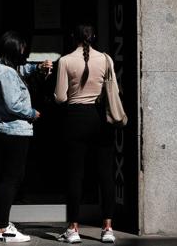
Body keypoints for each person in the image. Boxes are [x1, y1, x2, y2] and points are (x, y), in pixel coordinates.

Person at [0, 31, 52, 243]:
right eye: (21, 49)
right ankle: (2, 227)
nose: (25, 52)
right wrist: (32, 113)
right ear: (13, 50)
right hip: (13, 131)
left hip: (5, 131)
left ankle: (2, 224)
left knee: (10, 178)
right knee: (11, 179)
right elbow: (14, 104)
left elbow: (22, 69)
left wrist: (37, 67)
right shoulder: (6, 73)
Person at [54, 25, 117, 244]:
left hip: (75, 118)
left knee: (75, 175)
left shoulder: (65, 61)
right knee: (105, 174)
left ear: (74, 37)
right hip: (100, 118)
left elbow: (61, 97)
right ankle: (107, 228)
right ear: (93, 37)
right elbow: (112, 91)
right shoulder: (106, 59)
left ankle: (73, 229)